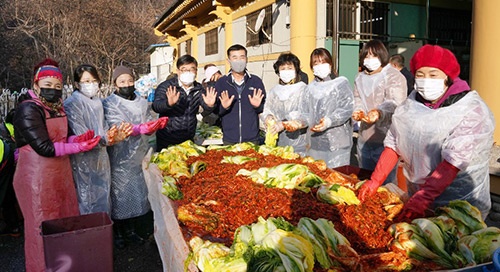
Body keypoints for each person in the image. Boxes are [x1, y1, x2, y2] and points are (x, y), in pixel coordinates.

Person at [358, 44, 495, 222]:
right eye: (420, 75)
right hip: (418, 198)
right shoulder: (411, 104)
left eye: (433, 74)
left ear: (448, 77)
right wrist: (375, 180)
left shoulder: (470, 109)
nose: (425, 80)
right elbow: (393, 144)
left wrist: (424, 197)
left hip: (460, 201)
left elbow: (454, 161)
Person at [13, 58, 101, 271]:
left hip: (60, 175)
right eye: (48, 85)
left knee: (64, 220)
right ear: (36, 85)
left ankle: (65, 266)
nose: (53, 90)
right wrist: (77, 148)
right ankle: (42, 267)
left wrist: (78, 140)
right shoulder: (28, 109)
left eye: (58, 86)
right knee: (41, 227)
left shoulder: (58, 108)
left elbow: (65, 138)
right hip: (37, 178)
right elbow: (44, 147)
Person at [103, 65, 168, 249]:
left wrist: (153, 126)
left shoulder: (141, 102)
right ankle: (119, 232)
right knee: (119, 194)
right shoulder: (109, 103)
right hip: (119, 156)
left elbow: (147, 119)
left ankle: (132, 231)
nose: (127, 84)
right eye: (122, 81)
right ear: (115, 84)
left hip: (139, 153)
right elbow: (116, 126)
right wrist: (140, 128)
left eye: (130, 81)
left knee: (138, 195)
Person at [64, 64, 131, 215]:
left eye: (94, 80)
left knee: (103, 196)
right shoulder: (72, 104)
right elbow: (82, 136)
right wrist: (105, 139)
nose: (91, 84)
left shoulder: (97, 102)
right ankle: (90, 235)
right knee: (86, 198)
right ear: (77, 83)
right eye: (86, 81)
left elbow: (104, 128)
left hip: (101, 157)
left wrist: (114, 136)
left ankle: (104, 231)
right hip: (83, 160)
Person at [352, 40, 407, 183]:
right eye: (367, 56)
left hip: (386, 140)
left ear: (382, 56)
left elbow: (396, 104)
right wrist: (358, 110)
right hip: (365, 137)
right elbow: (358, 98)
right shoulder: (360, 77)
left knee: (385, 184)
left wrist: (379, 113)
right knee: (365, 179)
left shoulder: (393, 76)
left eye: (374, 56)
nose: (369, 60)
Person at [152, 55, 217, 150]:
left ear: (196, 72)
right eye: (184, 69)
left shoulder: (199, 88)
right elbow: (156, 106)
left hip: (188, 138)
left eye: (192, 69)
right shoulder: (166, 86)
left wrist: (210, 105)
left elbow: (205, 106)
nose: (188, 72)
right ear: (178, 71)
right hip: (167, 137)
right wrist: (168, 104)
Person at [210, 44, 266, 145]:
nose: (239, 61)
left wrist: (258, 107)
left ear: (246, 59)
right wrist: (224, 107)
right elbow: (216, 112)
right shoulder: (221, 83)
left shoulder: (256, 81)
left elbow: (264, 109)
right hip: (229, 139)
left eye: (242, 57)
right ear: (229, 61)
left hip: (252, 139)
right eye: (234, 57)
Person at [262, 53, 308, 156]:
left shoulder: (303, 90)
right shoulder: (274, 91)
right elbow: (267, 109)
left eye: (290, 68)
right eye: (283, 68)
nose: (286, 71)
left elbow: (306, 116)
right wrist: (268, 117)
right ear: (278, 72)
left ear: (296, 70)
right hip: (278, 144)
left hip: (299, 145)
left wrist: (284, 124)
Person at [0, 109, 21, 236]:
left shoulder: (6, 129)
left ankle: (14, 227)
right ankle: (14, 228)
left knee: (7, 196)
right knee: (8, 196)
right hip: (8, 163)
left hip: (6, 161)